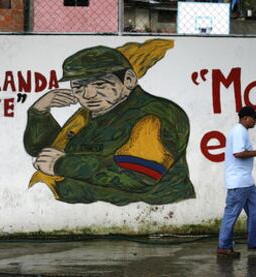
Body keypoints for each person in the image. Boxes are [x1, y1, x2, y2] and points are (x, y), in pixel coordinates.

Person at [23, 44, 195, 206]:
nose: (88, 94)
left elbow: (138, 176)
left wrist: (62, 164)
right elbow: (43, 151)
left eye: (100, 84)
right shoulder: (93, 112)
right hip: (84, 214)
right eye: (79, 86)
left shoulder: (155, 115)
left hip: (141, 212)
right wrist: (39, 113)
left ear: (128, 80)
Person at [217, 106, 256, 257]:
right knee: (231, 214)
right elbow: (238, 153)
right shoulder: (239, 131)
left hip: (246, 181)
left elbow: (243, 151)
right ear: (245, 118)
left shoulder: (242, 131)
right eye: (254, 118)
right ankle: (223, 246)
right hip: (238, 182)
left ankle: (254, 242)